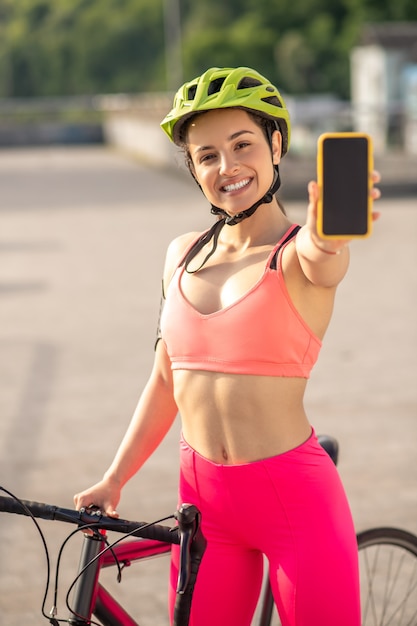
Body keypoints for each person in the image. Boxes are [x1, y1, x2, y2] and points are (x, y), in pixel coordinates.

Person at [74, 66, 381, 626]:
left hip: (295, 505)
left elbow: (324, 256)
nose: (228, 166)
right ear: (192, 168)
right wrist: (115, 477)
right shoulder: (181, 255)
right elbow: (166, 379)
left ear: (276, 144)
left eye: (243, 144)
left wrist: (326, 235)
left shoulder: (295, 256)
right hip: (203, 505)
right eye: (207, 154)